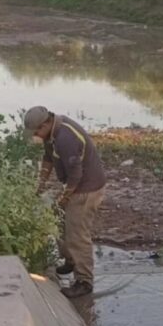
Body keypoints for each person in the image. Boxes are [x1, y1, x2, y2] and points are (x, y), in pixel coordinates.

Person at [23, 106, 107, 299]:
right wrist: (40, 184)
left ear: (46, 123)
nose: (36, 135)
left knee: (77, 235)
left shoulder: (65, 138)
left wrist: (65, 198)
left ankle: (84, 281)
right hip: (76, 185)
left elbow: (76, 175)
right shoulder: (51, 134)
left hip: (86, 189)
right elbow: (47, 158)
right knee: (60, 223)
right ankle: (70, 260)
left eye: (37, 131)